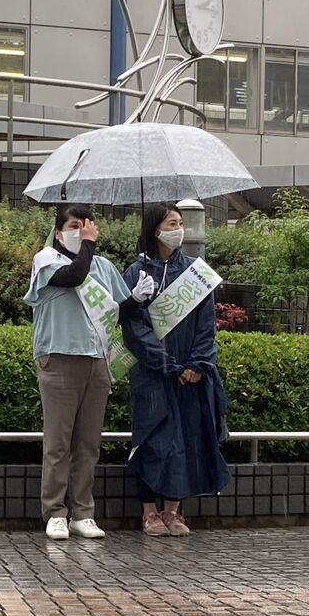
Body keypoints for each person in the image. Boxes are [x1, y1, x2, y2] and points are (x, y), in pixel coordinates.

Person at [24, 205, 154, 541]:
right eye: (73, 225)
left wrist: (138, 297)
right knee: (58, 442)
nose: (80, 231)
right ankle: (55, 512)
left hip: (97, 360)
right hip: (59, 357)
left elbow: (117, 312)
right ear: (58, 232)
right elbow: (74, 276)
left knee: (88, 443)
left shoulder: (103, 267)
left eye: (86, 225)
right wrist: (88, 245)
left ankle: (83, 512)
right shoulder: (47, 260)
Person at [121, 203, 229, 536]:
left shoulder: (196, 271)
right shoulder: (137, 272)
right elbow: (133, 328)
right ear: (155, 228)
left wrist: (197, 364)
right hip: (152, 374)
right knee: (152, 437)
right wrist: (166, 364)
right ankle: (149, 511)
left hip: (190, 375)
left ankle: (173, 510)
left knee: (187, 437)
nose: (179, 228)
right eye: (172, 222)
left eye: (181, 222)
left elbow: (205, 324)